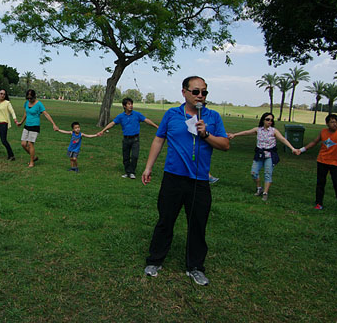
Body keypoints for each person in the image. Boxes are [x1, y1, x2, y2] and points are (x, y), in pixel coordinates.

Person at [141, 76, 229, 286]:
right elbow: (159, 139)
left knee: (197, 224)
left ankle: (195, 267)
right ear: (184, 92)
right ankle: (155, 261)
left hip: (199, 181)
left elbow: (225, 145)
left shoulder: (213, 117)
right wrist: (148, 167)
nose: (200, 96)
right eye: (196, 91)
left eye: (204, 92)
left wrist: (206, 134)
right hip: (173, 178)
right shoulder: (172, 114)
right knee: (165, 221)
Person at [228, 112, 298, 201]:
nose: (270, 121)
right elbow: (246, 132)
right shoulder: (258, 130)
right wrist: (234, 135)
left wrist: (292, 148)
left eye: (271, 120)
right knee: (254, 172)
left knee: (268, 174)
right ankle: (259, 188)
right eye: (267, 119)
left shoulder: (274, 131)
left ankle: (265, 193)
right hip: (259, 154)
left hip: (270, 155)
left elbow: (282, 139)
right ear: (263, 120)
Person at [98, 97, 159, 179]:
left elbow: (146, 120)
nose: (131, 106)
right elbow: (112, 123)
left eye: (131, 104)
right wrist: (103, 130)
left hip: (135, 139)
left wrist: (156, 126)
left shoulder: (137, 114)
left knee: (135, 156)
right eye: (129, 104)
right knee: (126, 157)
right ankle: (128, 172)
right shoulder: (120, 116)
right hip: (126, 139)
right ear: (124, 106)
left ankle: (132, 172)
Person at [297, 113, 337, 211]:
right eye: (332, 122)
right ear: (327, 124)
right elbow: (314, 142)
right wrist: (302, 150)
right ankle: (319, 203)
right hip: (322, 161)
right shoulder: (323, 132)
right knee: (320, 183)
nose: (335, 124)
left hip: (336, 163)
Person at [17, 89, 59, 168]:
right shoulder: (26, 103)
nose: (29, 99)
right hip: (27, 125)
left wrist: (54, 124)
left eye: (31, 98)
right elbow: (26, 113)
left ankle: (32, 162)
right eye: (28, 98)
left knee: (30, 144)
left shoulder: (39, 104)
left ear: (34, 96)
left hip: (35, 126)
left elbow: (46, 114)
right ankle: (33, 157)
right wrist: (21, 122)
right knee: (23, 144)